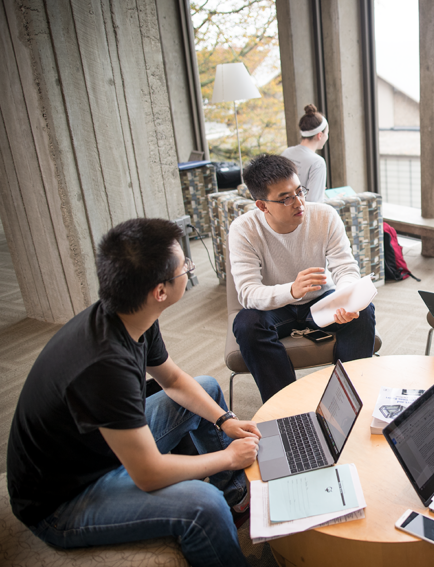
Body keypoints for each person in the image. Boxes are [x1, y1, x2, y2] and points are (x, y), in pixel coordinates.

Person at [6, 219, 259, 567]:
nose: (188, 268)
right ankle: (219, 514)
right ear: (160, 291)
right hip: (62, 502)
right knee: (203, 505)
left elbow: (171, 379)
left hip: (101, 451)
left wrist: (225, 420)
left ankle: (235, 499)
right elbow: (148, 473)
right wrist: (230, 457)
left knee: (206, 388)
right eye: (184, 265)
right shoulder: (102, 365)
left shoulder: (130, 315)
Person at [230, 153, 376, 402]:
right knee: (246, 324)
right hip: (276, 308)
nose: (299, 203)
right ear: (262, 205)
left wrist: (347, 298)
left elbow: (344, 268)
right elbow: (247, 292)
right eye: (285, 199)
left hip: (321, 302)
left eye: (300, 191)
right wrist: (292, 290)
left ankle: (349, 398)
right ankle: (286, 406)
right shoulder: (244, 229)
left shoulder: (324, 216)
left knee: (363, 311)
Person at [282, 104, 328, 202]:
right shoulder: (317, 162)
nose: (327, 137)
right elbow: (314, 203)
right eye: (327, 133)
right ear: (319, 135)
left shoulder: (287, 152)